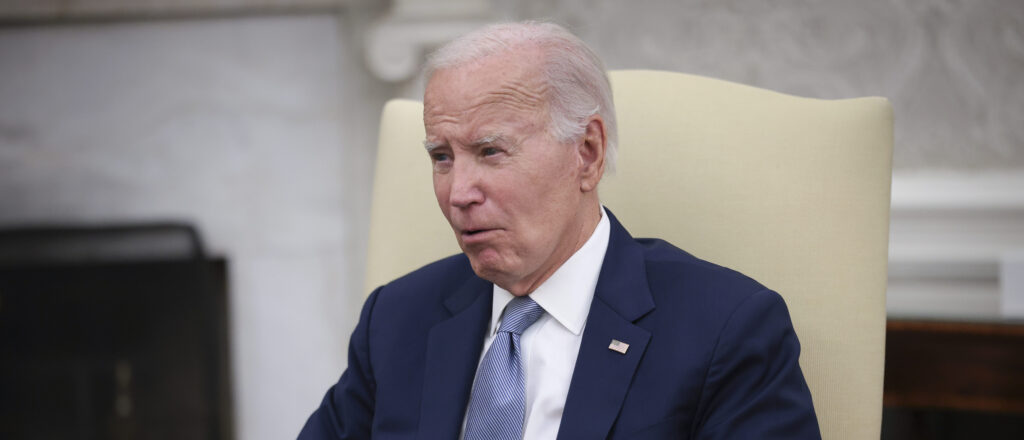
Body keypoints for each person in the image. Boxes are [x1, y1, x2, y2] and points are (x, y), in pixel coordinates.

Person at [299, 21, 820, 439]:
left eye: (490, 152)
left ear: (586, 153)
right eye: (441, 157)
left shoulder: (725, 328)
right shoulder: (395, 319)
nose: (458, 192)